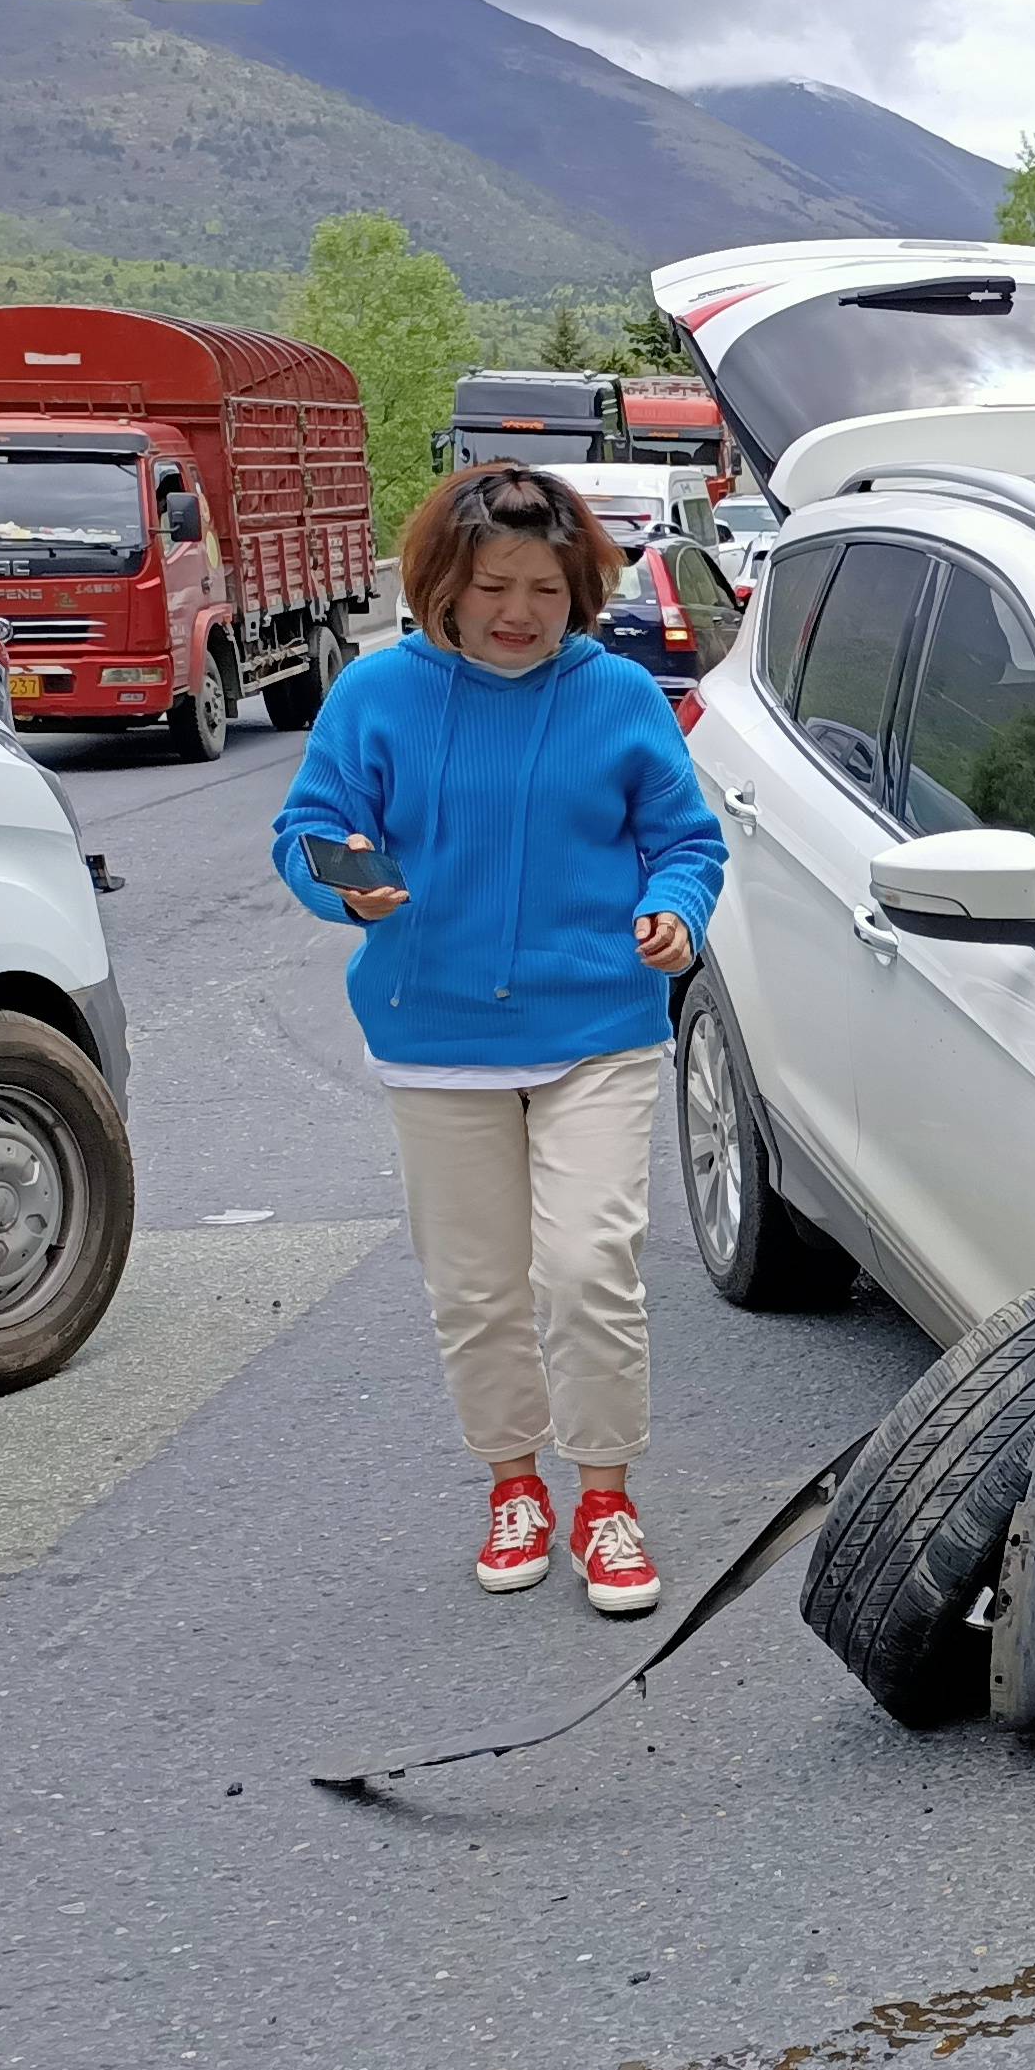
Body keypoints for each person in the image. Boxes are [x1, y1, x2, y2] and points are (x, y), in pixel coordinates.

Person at [273, 464, 728, 1614]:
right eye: (492, 587)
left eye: (546, 588)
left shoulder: (618, 696)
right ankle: (513, 1482)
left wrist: (676, 912)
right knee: (476, 1289)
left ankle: (606, 1498)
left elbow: (688, 840)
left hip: (596, 1027)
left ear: (582, 589)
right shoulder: (377, 694)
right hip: (433, 1040)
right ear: (443, 583)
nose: (519, 611)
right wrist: (348, 889)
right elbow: (310, 828)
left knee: (588, 1269)